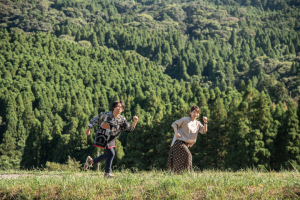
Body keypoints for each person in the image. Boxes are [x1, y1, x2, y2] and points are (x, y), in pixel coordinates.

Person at [84, 100, 138, 177]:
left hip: (112, 139)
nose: (119, 108)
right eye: (118, 106)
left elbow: (128, 129)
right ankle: (107, 173)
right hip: (103, 138)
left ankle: (90, 162)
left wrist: (134, 122)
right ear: (113, 107)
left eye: (121, 107)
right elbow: (94, 119)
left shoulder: (122, 119)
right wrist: (88, 130)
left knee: (106, 155)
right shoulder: (105, 115)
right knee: (111, 153)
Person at [166, 105, 208, 173]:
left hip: (185, 144)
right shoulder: (185, 120)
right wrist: (176, 133)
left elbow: (204, 130)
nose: (196, 114)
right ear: (190, 112)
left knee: (179, 162)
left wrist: (205, 122)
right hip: (178, 142)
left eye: (197, 113)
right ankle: (188, 173)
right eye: (194, 112)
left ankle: (178, 174)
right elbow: (174, 124)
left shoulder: (197, 123)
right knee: (188, 155)